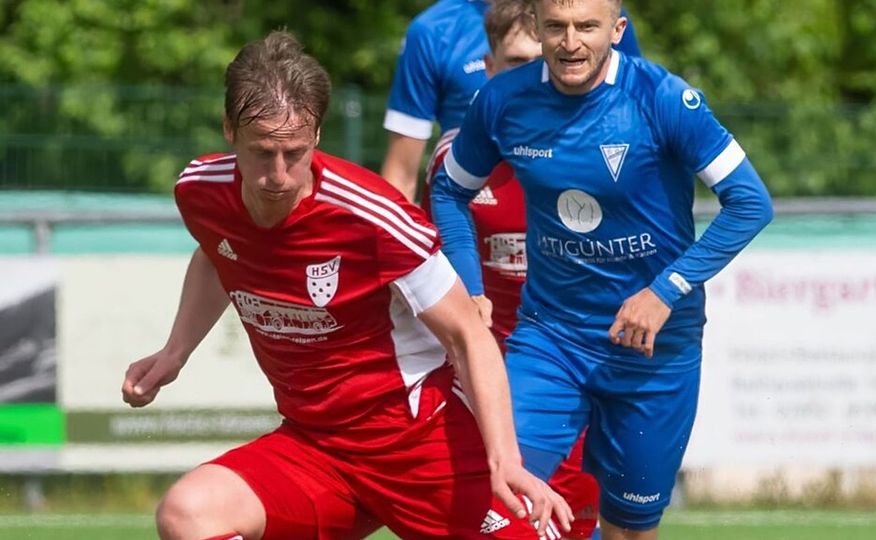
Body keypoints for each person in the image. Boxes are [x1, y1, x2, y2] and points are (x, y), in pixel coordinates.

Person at [120, 30, 574, 540]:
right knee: (188, 515)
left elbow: (468, 334)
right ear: (229, 130)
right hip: (316, 448)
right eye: (261, 151)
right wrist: (175, 352)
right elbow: (216, 253)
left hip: (422, 440)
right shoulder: (200, 191)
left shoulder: (373, 217)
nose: (278, 175)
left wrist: (505, 460)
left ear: (316, 135)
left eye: (293, 152)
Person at [429, 0, 775, 538]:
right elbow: (448, 190)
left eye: (587, 27)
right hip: (551, 339)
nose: (571, 42)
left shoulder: (662, 99)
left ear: (616, 29)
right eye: (558, 27)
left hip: (654, 351)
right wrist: (470, 287)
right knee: (496, 504)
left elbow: (751, 203)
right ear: (539, 27)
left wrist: (665, 291)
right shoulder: (501, 100)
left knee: (630, 527)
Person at [420, 3, 600, 539]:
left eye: (539, 60)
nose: (531, 76)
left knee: (588, 517)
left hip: (584, 362)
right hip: (494, 381)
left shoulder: (600, 149)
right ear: (490, 68)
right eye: (516, 61)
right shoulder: (457, 161)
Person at [381, 0, 643, 202]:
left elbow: (635, 129)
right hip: (477, 221)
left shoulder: (588, 11)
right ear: (489, 66)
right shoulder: (432, 31)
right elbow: (401, 175)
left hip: (580, 216)